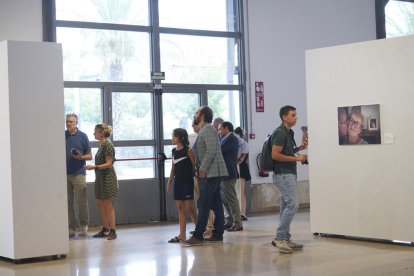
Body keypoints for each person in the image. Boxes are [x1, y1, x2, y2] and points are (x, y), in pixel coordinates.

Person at [182, 106, 228, 245]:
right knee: (216, 204)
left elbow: (211, 150)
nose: (194, 115)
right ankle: (218, 233)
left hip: (210, 172)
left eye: (196, 113)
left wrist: (203, 169)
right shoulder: (205, 129)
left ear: (202, 116)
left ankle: (198, 235)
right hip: (213, 172)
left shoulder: (207, 129)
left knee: (203, 203)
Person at [271, 105, 307, 253]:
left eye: (296, 115)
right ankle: (279, 238)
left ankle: (284, 238)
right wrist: (298, 158)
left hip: (288, 173)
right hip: (283, 174)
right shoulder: (280, 133)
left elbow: (287, 152)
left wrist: (298, 149)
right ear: (284, 117)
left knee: (286, 206)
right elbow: (275, 155)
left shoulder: (288, 132)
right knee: (293, 205)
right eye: (293, 115)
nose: (296, 117)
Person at [85, 124, 118, 240]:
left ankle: (112, 230)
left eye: (95, 132)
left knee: (108, 205)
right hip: (100, 178)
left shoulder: (108, 145)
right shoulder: (101, 145)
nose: (94, 134)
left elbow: (109, 163)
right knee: (101, 203)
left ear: (101, 133)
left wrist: (94, 167)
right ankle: (105, 229)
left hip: (107, 179)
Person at [166, 128, 198, 243]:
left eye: (174, 136)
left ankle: (199, 231)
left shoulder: (188, 150)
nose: (172, 138)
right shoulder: (174, 151)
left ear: (180, 137)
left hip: (187, 182)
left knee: (190, 208)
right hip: (178, 182)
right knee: (180, 208)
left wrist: (196, 181)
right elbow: (173, 168)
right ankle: (182, 235)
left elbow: (194, 166)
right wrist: (169, 182)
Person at [65, 114, 92, 238]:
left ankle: (84, 225)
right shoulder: (62, 135)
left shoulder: (83, 136)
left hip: (78, 173)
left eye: (71, 121)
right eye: (67, 121)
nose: (68, 123)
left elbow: (90, 156)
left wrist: (81, 157)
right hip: (64, 174)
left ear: (76, 123)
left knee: (81, 201)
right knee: (67, 202)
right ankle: (71, 227)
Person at [218, 122, 243, 231]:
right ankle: (229, 221)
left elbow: (219, 150)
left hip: (229, 173)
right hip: (223, 173)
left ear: (226, 128)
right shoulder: (224, 139)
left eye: (220, 129)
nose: (219, 132)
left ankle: (237, 223)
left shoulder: (231, 139)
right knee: (225, 199)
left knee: (231, 199)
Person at [234, 127, 251, 221]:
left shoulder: (242, 144)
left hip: (240, 169)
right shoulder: (243, 143)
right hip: (241, 169)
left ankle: (242, 213)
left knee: (240, 191)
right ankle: (241, 213)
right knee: (240, 192)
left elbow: (241, 160)